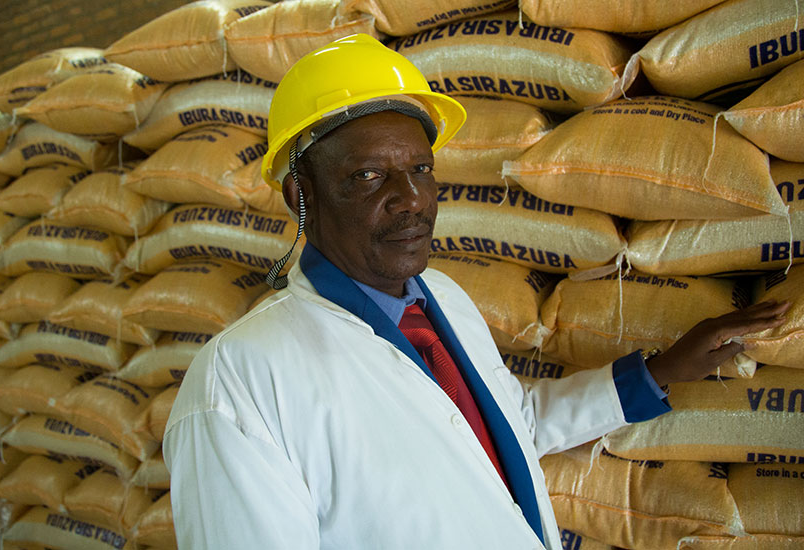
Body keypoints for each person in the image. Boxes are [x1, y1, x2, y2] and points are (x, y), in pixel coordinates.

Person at [162, 34, 789, 550]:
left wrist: (656, 372)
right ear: (301, 195)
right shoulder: (241, 380)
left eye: (421, 169)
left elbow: (499, 426)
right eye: (369, 174)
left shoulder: (442, 299)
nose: (410, 200)